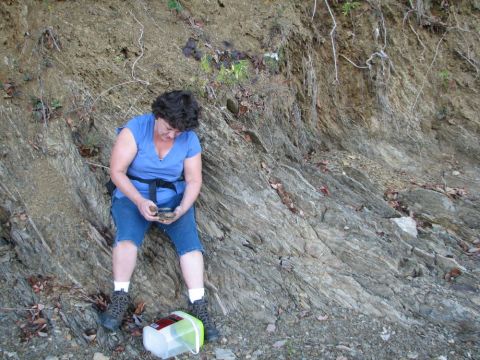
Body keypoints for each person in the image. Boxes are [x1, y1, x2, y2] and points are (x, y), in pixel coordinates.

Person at [99, 90, 219, 341]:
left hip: (173, 198)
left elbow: (194, 180)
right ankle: (120, 297)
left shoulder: (188, 139)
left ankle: (199, 305)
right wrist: (140, 201)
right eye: (169, 128)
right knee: (127, 239)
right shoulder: (135, 130)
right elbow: (117, 172)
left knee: (190, 246)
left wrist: (181, 209)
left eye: (178, 131)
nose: (172, 134)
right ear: (158, 115)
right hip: (133, 195)